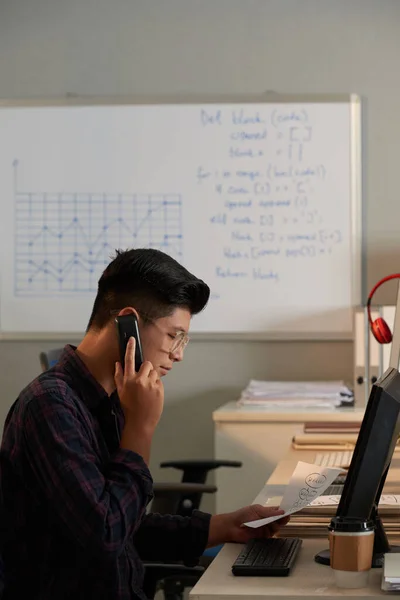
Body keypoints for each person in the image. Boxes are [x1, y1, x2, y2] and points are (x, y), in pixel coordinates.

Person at [0, 248, 288, 600]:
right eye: (173, 336)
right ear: (128, 324)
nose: (179, 354)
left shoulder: (109, 400)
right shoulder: (50, 407)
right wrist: (140, 428)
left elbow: (125, 523)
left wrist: (223, 525)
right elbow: (108, 534)